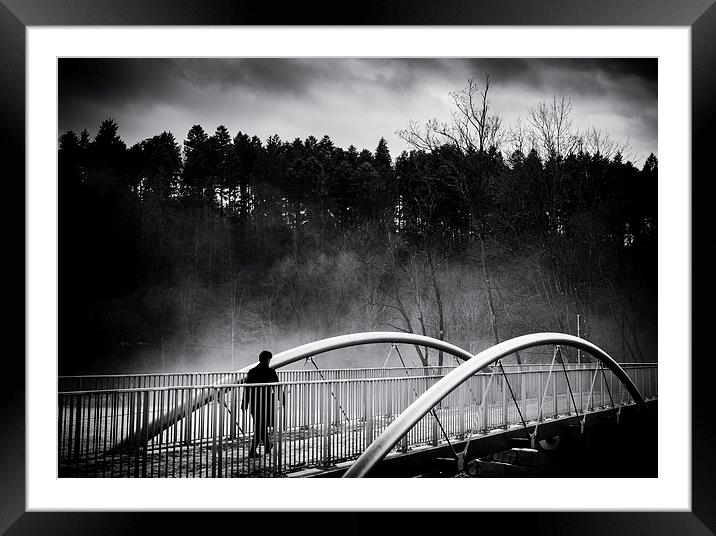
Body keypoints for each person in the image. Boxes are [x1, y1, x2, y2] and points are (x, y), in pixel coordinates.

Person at [242, 350, 281, 458]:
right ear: (268, 360)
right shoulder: (271, 372)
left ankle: (267, 445)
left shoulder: (252, 371)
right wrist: (282, 399)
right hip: (267, 404)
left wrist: (244, 403)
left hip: (255, 404)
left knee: (260, 426)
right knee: (260, 427)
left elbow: (247, 389)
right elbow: (277, 387)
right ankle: (252, 451)